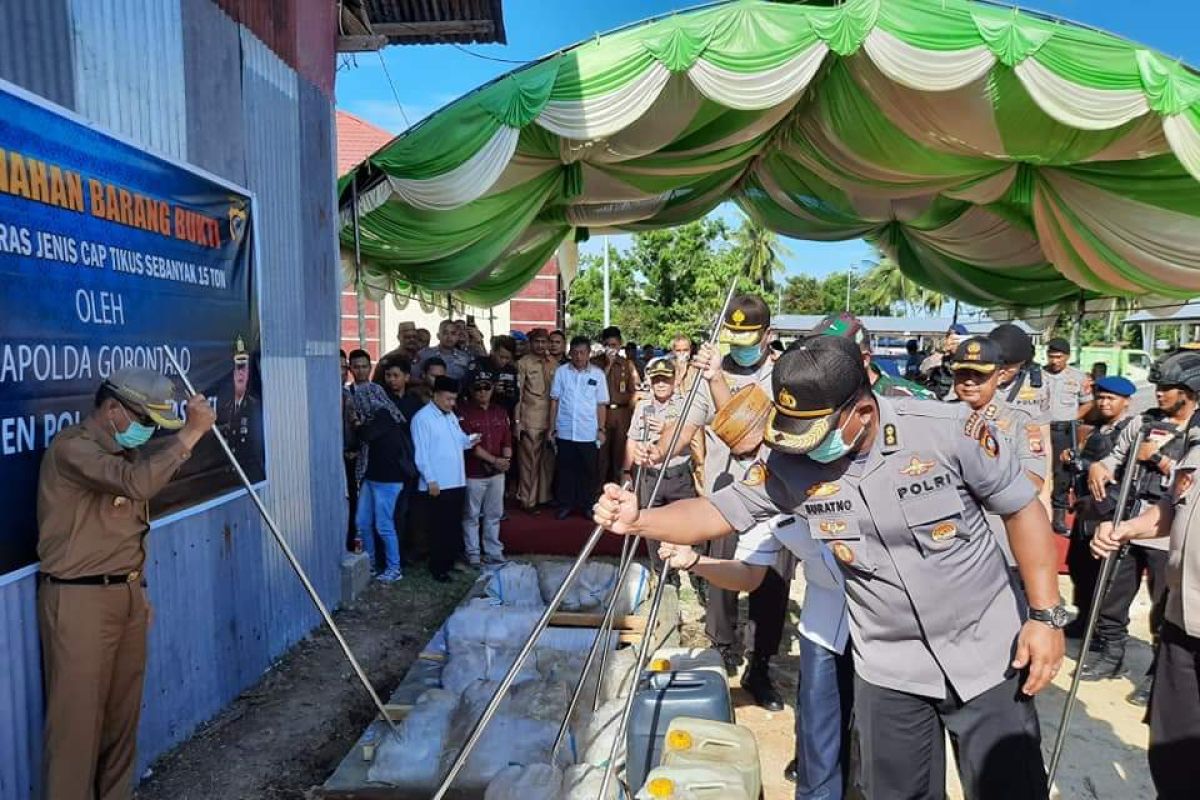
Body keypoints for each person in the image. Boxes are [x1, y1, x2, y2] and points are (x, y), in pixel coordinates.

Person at [595, 335, 1064, 800]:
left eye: (815, 432)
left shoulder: (947, 430)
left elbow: (1022, 509)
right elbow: (719, 511)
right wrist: (640, 520)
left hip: (988, 655)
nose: (803, 447)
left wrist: (1045, 616)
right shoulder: (790, 463)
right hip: (889, 668)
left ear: (861, 411)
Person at [37, 368, 217, 800]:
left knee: (122, 724)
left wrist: (139, 591)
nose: (149, 431)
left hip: (127, 596)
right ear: (113, 409)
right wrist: (190, 436)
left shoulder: (124, 452)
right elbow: (135, 487)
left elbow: (128, 530)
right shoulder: (73, 449)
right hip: (79, 600)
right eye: (145, 421)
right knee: (77, 730)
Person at [651, 294, 789, 710]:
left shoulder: (785, 375)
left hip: (776, 496)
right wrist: (656, 450)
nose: (740, 345)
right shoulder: (710, 373)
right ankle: (723, 650)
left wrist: (716, 380)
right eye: (735, 337)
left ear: (768, 335)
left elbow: (747, 430)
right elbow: (685, 423)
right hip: (725, 496)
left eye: (749, 337)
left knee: (770, 586)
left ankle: (760, 664)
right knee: (722, 583)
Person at [1091, 417, 1200, 798]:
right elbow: (1174, 505)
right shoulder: (1197, 433)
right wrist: (1126, 529)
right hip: (1181, 621)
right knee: (1172, 746)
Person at [1080, 352, 1200, 686]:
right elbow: (1114, 456)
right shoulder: (1144, 423)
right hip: (1131, 521)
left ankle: (1156, 676)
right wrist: (1099, 467)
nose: (1160, 394)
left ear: (1189, 391)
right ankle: (1111, 655)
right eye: (1158, 387)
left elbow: (1190, 481)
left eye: (1169, 388)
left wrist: (1159, 458)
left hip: (1169, 531)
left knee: (1164, 607)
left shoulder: (1195, 431)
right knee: (1112, 597)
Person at [945, 336, 1048, 567]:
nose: (970, 381)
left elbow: (1033, 481)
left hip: (998, 540)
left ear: (999, 375)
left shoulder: (1019, 422)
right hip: (947, 545)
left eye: (979, 375)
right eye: (963, 373)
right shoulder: (936, 415)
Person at [1062, 375, 1136, 643]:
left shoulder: (1129, 433)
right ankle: (1084, 621)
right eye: (1101, 397)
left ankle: (1102, 633)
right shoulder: (1098, 429)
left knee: (1102, 577)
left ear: (1125, 402)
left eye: (1110, 399)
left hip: (1107, 511)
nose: (1104, 403)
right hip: (1086, 510)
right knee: (1078, 567)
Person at [625, 357, 696, 583]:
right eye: (656, 380)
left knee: (687, 525)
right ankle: (664, 574)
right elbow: (632, 439)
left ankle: (696, 571)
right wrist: (626, 469)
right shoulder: (643, 406)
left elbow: (692, 438)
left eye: (665, 379)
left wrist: (667, 428)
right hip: (651, 475)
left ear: (674, 380)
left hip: (678, 474)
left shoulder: (685, 405)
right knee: (652, 526)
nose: (661, 384)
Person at [411, 376, 478, 582]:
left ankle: (449, 562)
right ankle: (438, 568)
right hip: (437, 484)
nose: (452, 403)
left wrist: (471, 440)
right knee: (438, 527)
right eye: (448, 399)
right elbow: (421, 454)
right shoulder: (422, 419)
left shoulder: (450, 416)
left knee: (451, 525)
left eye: (454, 399)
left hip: (456, 480)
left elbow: (459, 441)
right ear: (436, 395)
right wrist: (430, 480)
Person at [352, 371, 414, 583]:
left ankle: (394, 568)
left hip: (388, 480)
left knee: (384, 525)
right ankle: (369, 564)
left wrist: (358, 425)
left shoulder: (383, 414)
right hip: (372, 478)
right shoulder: (377, 415)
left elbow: (367, 435)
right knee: (362, 522)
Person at [550, 335, 609, 519]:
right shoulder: (561, 372)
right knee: (566, 470)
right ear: (570, 353)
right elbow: (555, 401)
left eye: (582, 353)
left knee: (588, 471)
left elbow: (601, 404)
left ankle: (587, 505)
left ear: (589, 354)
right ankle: (565, 504)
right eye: (575, 353)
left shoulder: (597, 374)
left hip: (588, 431)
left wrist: (601, 429)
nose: (578, 356)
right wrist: (551, 428)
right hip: (565, 430)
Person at [812, 312, 935, 399]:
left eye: (831, 358)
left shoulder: (912, 399)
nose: (819, 364)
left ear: (864, 360)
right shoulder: (810, 397)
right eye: (814, 355)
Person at [460, 369, 512, 567]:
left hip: (497, 472)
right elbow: (470, 444)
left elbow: (507, 438)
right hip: (474, 472)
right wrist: (495, 461)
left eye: (486, 387)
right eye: (478, 388)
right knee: (471, 515)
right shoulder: (463, 412)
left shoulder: (500, 411)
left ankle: (493, 551)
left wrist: (506, 460)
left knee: (494, 514)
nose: (482, 392)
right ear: (471, 390)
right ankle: (472, 552)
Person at [1042, 338, 1092, 533]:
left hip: (1064, 430)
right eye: (1051, 356)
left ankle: (1059, 517)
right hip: (1042, 428)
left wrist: (1073, 418)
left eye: (1059, 357)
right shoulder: (1038, 375)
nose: (1054, 361)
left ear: (1067, 357)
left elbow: (1088, 402)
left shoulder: (1078, 378)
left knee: (1063, 473)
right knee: (1040, 470)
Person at [516, 329, 556, 512]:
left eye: (544, 342)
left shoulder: (554, 363)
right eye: (537, 342)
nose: (541, 345)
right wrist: (518, 421)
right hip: (530, 417)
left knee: (546, 462)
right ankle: (527, 501)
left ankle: (543, 497)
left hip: (551, 419)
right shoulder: (523, 363)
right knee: (529, 462)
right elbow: (519, 394)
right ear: (530, 343)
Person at [595, 326, 640, 486]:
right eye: (608, 345)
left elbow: (635, 390)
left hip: (621, 413)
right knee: (601, 456)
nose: (611, 349)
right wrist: (608, 365)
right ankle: (598, 490)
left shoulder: (627, 365)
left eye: (614, 345)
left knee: (620, 454)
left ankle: (618, 487)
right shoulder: (596, 364)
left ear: (620, 345)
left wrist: (633, 409)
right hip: (602, 414)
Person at [216, 335, 264, 482]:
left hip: (249, 478)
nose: (241, 373)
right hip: (228, 479)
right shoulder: (224, 407)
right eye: (238, 367)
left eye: (244, 367)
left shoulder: (254, 408)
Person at [919, 323, 967, 399]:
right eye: (949, 336)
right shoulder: (940, 357)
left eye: (956, 337)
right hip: (936, 398)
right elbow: (923, 369)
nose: (952, 340)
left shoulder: (967, 360)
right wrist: (942, 351)